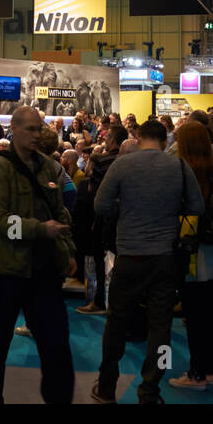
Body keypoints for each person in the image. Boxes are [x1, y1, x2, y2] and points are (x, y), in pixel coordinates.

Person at [90, 120, 202, 404]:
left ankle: (106, 386)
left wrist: (126, 207)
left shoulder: (122, 165)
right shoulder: (178, 167)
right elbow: (197, 206)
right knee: (160, 329)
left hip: (129, 256)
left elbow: (100, 206)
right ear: (165, 139)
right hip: (164, 258)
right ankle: (151, 389)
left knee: (116, 323)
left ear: (138, 137)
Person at [0, 105, 76, 405]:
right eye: (31, 129)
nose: (37, 135)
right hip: (6, 270)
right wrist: (38, 230)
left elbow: (60, 214)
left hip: (44, 271)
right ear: (15, 129)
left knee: (57, 347)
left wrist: (66, 251)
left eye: (40, 129)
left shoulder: (48, 167)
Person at [169, 121, 213, 391]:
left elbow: (185, 216)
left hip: (191, 251)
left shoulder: (184, 173)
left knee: (195, 314)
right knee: (207, 313)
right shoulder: (212, 171)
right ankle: (209, 370)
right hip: (210, 250)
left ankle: (197, 374)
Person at [76, 124, 127, 314]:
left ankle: (98, 302)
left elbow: (93, 191)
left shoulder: (102, 161)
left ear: (112, 140)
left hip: (104, 218)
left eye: (107, 138)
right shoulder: (131, 162)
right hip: (127, 220)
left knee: (100, 259)